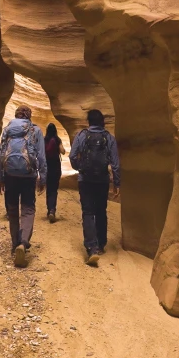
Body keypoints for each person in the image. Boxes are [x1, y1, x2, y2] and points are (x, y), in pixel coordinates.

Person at [69, 109, 120, 266]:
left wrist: (80, 168)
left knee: (88, 212)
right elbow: (115, 162)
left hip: (85, 179)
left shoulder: (82, 135)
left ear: (89, 121)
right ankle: (102, 244)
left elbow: (72, 155)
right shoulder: (108, 137)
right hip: (102, 180)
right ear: (102, 121)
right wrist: (116, 182)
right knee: (101, 211)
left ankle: (92, 248)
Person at [0, 105, 46, 267]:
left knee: (12, 209)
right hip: (28, 175)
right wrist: (43, 177)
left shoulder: (7, 129)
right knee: (28, 209)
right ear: (29, 116)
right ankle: (23, 242)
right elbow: (41, 155)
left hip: (10, 174)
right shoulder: (35, 130)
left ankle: (14, 243)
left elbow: (1, 152)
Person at [43, 123, 66, 222]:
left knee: (48, 189)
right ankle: (52, 210)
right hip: (56, 166)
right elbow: (63, 151)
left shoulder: (44, 140)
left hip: (47, 166)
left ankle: (49, 210)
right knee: (54, 189)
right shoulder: (57, 139)